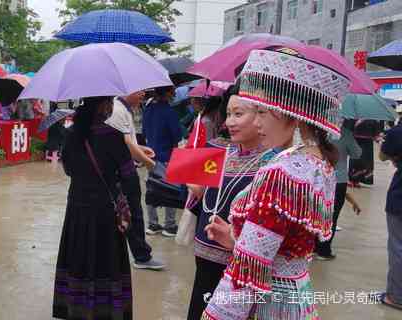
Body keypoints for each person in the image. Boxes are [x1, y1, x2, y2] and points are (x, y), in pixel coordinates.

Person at [201, 48, 350, 319]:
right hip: (297, 298)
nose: (256, 123)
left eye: (261, 112)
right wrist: (236, 241)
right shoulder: (319, 165)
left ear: (292, 114)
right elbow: (284, 250)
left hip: (270, 303)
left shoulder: (282, 173)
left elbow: (247, 271)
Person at [185, 86, 276, 320]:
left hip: (240, 264)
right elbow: (201, 194)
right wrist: (189, 180)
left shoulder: (274, 164)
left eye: (239, 114)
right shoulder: (217, 149)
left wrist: (235, 240)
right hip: (204, 253)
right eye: (228, 114)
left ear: (262, 116)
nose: (230, 122)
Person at [53, 96, 135, 320]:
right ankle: (104, 311)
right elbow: (129, 177)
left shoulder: (71, 135)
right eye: (109, 101)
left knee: (78, 257)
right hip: (105, 211)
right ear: (101, 106)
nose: (111, 106)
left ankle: (76, 309)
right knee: (106, 261)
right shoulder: (114, 137)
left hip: (77, 208)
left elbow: (68, 170)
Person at [105, 91, 166, 271]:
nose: (144, 93)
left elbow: (129, 142)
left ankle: (134, 254)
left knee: (130, 213)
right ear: (127, 89)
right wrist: (150, 164)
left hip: (126, 169)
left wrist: (142, 150)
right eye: (140, 89)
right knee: (133, 214)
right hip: (122, 172)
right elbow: (126, 144)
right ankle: (141, 256)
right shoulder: (117, 110)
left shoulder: (124, 109)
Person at [315, 120, 362, 260]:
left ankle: (312, 246)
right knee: (332, 215)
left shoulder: (319, 129)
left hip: (318, 176)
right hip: (338, 179)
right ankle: (323, 251)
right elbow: (357, 153)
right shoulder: (345, 134)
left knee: (317, 211)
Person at [143, 85, 182, 237]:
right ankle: (169, 225)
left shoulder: (148, 110)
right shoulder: (169, 112)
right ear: (166, 92)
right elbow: (177, 136)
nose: (174, 93)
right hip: (166, 156)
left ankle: (152, 224)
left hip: (149, 156)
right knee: (169, 189)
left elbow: (144, 132)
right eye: (171, 90)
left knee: (151, 188)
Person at [378, 119, 402, 310]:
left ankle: (395, 297)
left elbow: (382, 156)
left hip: (400, 199)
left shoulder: (397, 133)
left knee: (398, 248)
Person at [349, 119, 384, 187]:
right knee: (358, 161)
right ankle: (354, 180)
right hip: (360, 143)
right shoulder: (371, 119)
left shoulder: (357, 117)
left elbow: (376, 134)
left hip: (364, 143)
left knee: (363, 162)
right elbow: (376, 134)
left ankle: (356, 180)